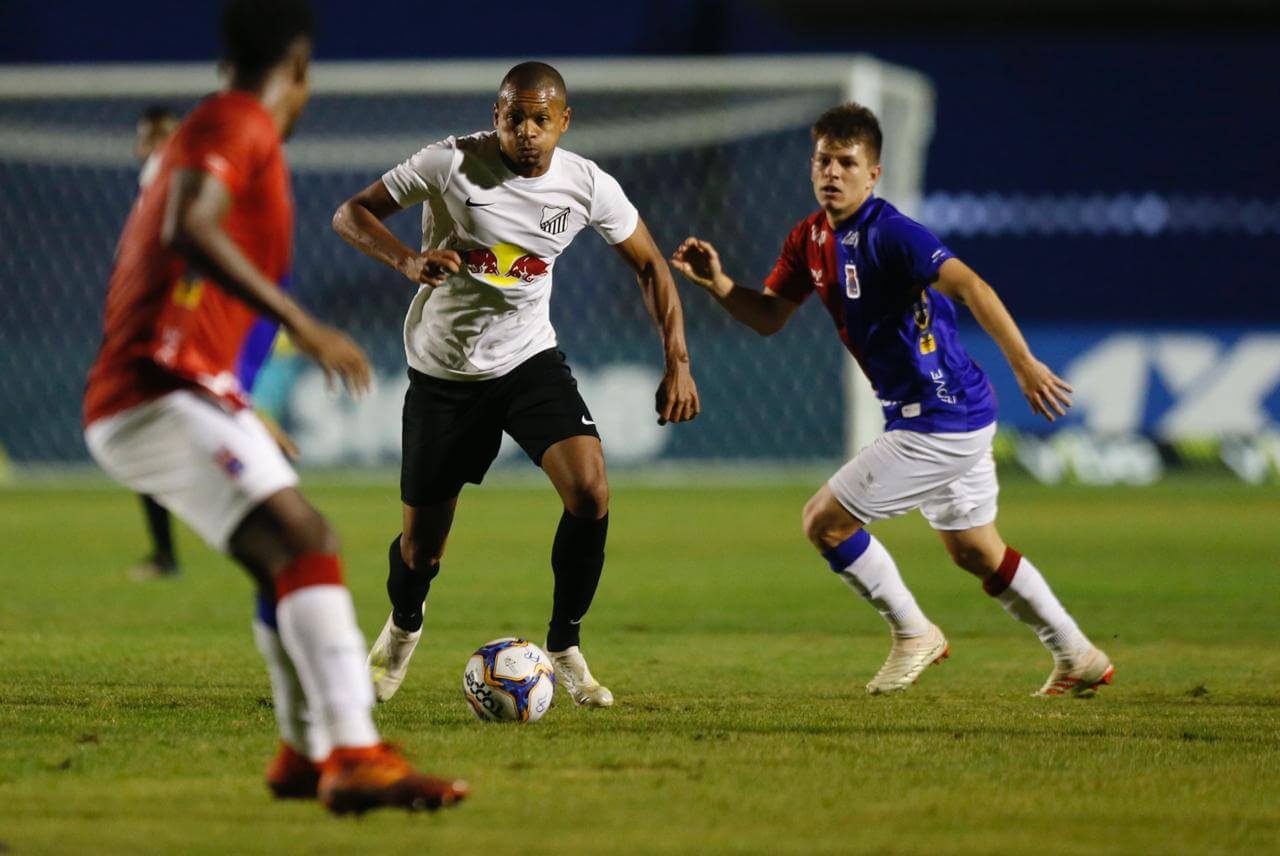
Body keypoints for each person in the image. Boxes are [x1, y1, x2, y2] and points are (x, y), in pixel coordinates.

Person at [82, 0, 466, 814]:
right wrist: (306, 325)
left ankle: (301, 754)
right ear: (299, 68)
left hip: (185, 387)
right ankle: (352, 755)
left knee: (283, 553)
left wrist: (239, 401)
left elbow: (189, 279)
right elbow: (190, 228)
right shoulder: (239, 123)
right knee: (304, 539)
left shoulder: (221, 127)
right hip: (151, 392)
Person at [670, 102, 1113, 697]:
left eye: (847, 163)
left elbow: (972, 286)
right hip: (945, 414)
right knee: (978, 553)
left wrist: (1025, 364)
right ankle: (1077, 655)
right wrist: (721, 286)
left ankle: (913, 633)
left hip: (940, 418)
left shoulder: (894, 234)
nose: (832, 172)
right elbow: (771, 316)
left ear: (873, 173)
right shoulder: (809, 237)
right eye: (823, 160)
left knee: (823, 522)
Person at [332, 61, 700, 707]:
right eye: (513, 117)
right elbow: (350, 214)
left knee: (590, 491)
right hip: (443, 373)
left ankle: (564, 645)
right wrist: (408, 259)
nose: (526, 131)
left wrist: (679, 360)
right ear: (495, 115)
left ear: (563, 121)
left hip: (528, 362)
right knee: (421, 550)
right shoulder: (449, 163)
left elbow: (650, 266)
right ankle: (402, 628)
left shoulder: (586, 184)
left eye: (540, 118)